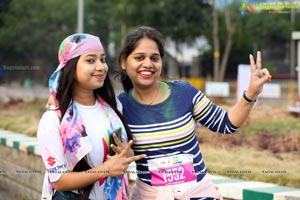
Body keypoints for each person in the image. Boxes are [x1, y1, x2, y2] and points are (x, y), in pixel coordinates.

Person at [115, 26, 271, 200]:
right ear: (124, 61)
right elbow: (119, 157)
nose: (148, 64)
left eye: (154, 58)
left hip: (198, 195)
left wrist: (251, 93)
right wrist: (125, 157)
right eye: (139, 57)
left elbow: (226, 123)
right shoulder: (120, 107)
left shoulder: (185, 93)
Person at [37, 33, 145, 200]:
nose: (101, 67)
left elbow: (119, 157)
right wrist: (105, 170)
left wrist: (127, 154)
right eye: (90, 60)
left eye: (102, 59)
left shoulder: (114, 109)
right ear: (71, 67)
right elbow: (59, 180)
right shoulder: (53, 119)